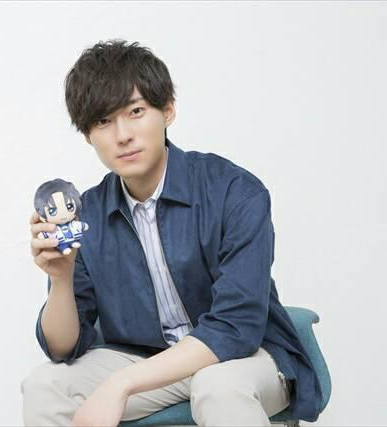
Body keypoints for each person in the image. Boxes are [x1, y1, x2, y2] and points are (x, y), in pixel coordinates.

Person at [22, 39, 322, 427]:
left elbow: (236, 327)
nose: (122, 135)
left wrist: (122, 383)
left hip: (245, 357)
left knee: (217, 386)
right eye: (103, 121)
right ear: (87, 135)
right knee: (45, 385)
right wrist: (61, 279)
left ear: (167, 110)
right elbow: (63, 348)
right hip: (149, 359)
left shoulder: (234, 191)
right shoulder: (88, 214)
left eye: (136, 112)